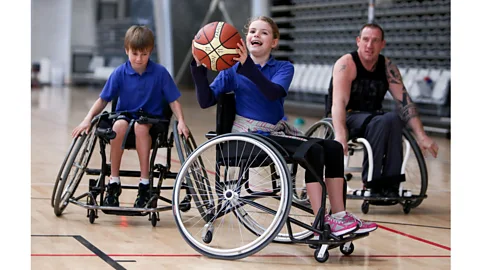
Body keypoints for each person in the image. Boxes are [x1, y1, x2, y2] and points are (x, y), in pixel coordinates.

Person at [190, 16, 377, 236]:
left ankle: (338, 216)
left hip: (273, 134)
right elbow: (205, 101)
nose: (256, 35)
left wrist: (247, 66)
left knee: (334, 148)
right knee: (314, 150)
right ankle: (320, 222)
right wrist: (198, 67)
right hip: (248, 138)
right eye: (252, 31)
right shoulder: (232, 70)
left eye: (263, 32)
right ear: (245, 38)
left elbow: (272, 93)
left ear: (274, 42)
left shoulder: (283, 67)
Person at [72, 25, 189, 208]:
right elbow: (103, 100)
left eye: (144, 54)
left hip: (151, 121)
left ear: (150, 51)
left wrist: (181, 121)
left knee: (140, 127)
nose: (139, 59)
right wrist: (87, 119)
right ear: (127, 50)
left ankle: (144, 183)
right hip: (125, 116)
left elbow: (174, 101)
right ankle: (113, 181)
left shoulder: (160, 73)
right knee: (118, 126)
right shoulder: (119, 72)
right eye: (135, 54)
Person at [327, 23, 439, 194]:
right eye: (365, 40)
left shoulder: (387, 67)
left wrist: (422, 136)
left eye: (375, 41)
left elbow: (405, 102)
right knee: (383, 121)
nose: (369, 45)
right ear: (358, 41)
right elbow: (339, 103)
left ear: (382, 44)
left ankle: (391, 184)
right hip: (346, 117)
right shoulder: (346, 64)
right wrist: (341, 135)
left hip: (374, 120)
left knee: (394, 118)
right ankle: (372, 183)